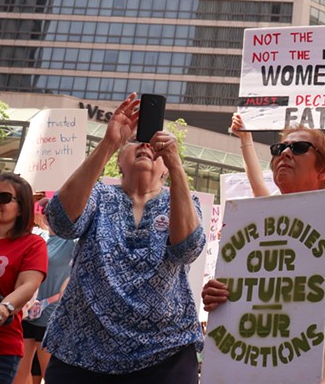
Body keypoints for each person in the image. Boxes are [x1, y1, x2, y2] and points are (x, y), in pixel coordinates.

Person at [42, 93, 205, 383]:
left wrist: (178, 165)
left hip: (165, 352)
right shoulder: (99, 196)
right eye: (134, 143)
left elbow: (186, 249)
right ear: (119, 161)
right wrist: (108, 143)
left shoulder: (184, 200)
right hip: (82, 351)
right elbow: (62, 222)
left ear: (165, 169)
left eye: (153, 145)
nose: (144, 145)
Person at [201, 116, 325, 374]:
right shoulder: (248, 230)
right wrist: (220, 297)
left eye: (299, 148)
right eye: (279, 149)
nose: (286, 153)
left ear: (323, 171)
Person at [0, 173, 47, 384]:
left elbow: (28, 284)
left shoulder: (32, 244)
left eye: (4, 197)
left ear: (22, 208)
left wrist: (4, 307)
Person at [13, 198, 75, 384]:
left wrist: (54, 299)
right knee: (19, 373)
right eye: (45, 211)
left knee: (50, 373)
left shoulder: (73, 242)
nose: (48, 215)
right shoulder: (38, 238)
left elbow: (77, 274)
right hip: (27, 313)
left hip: (50, 315)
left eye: (54, 211)